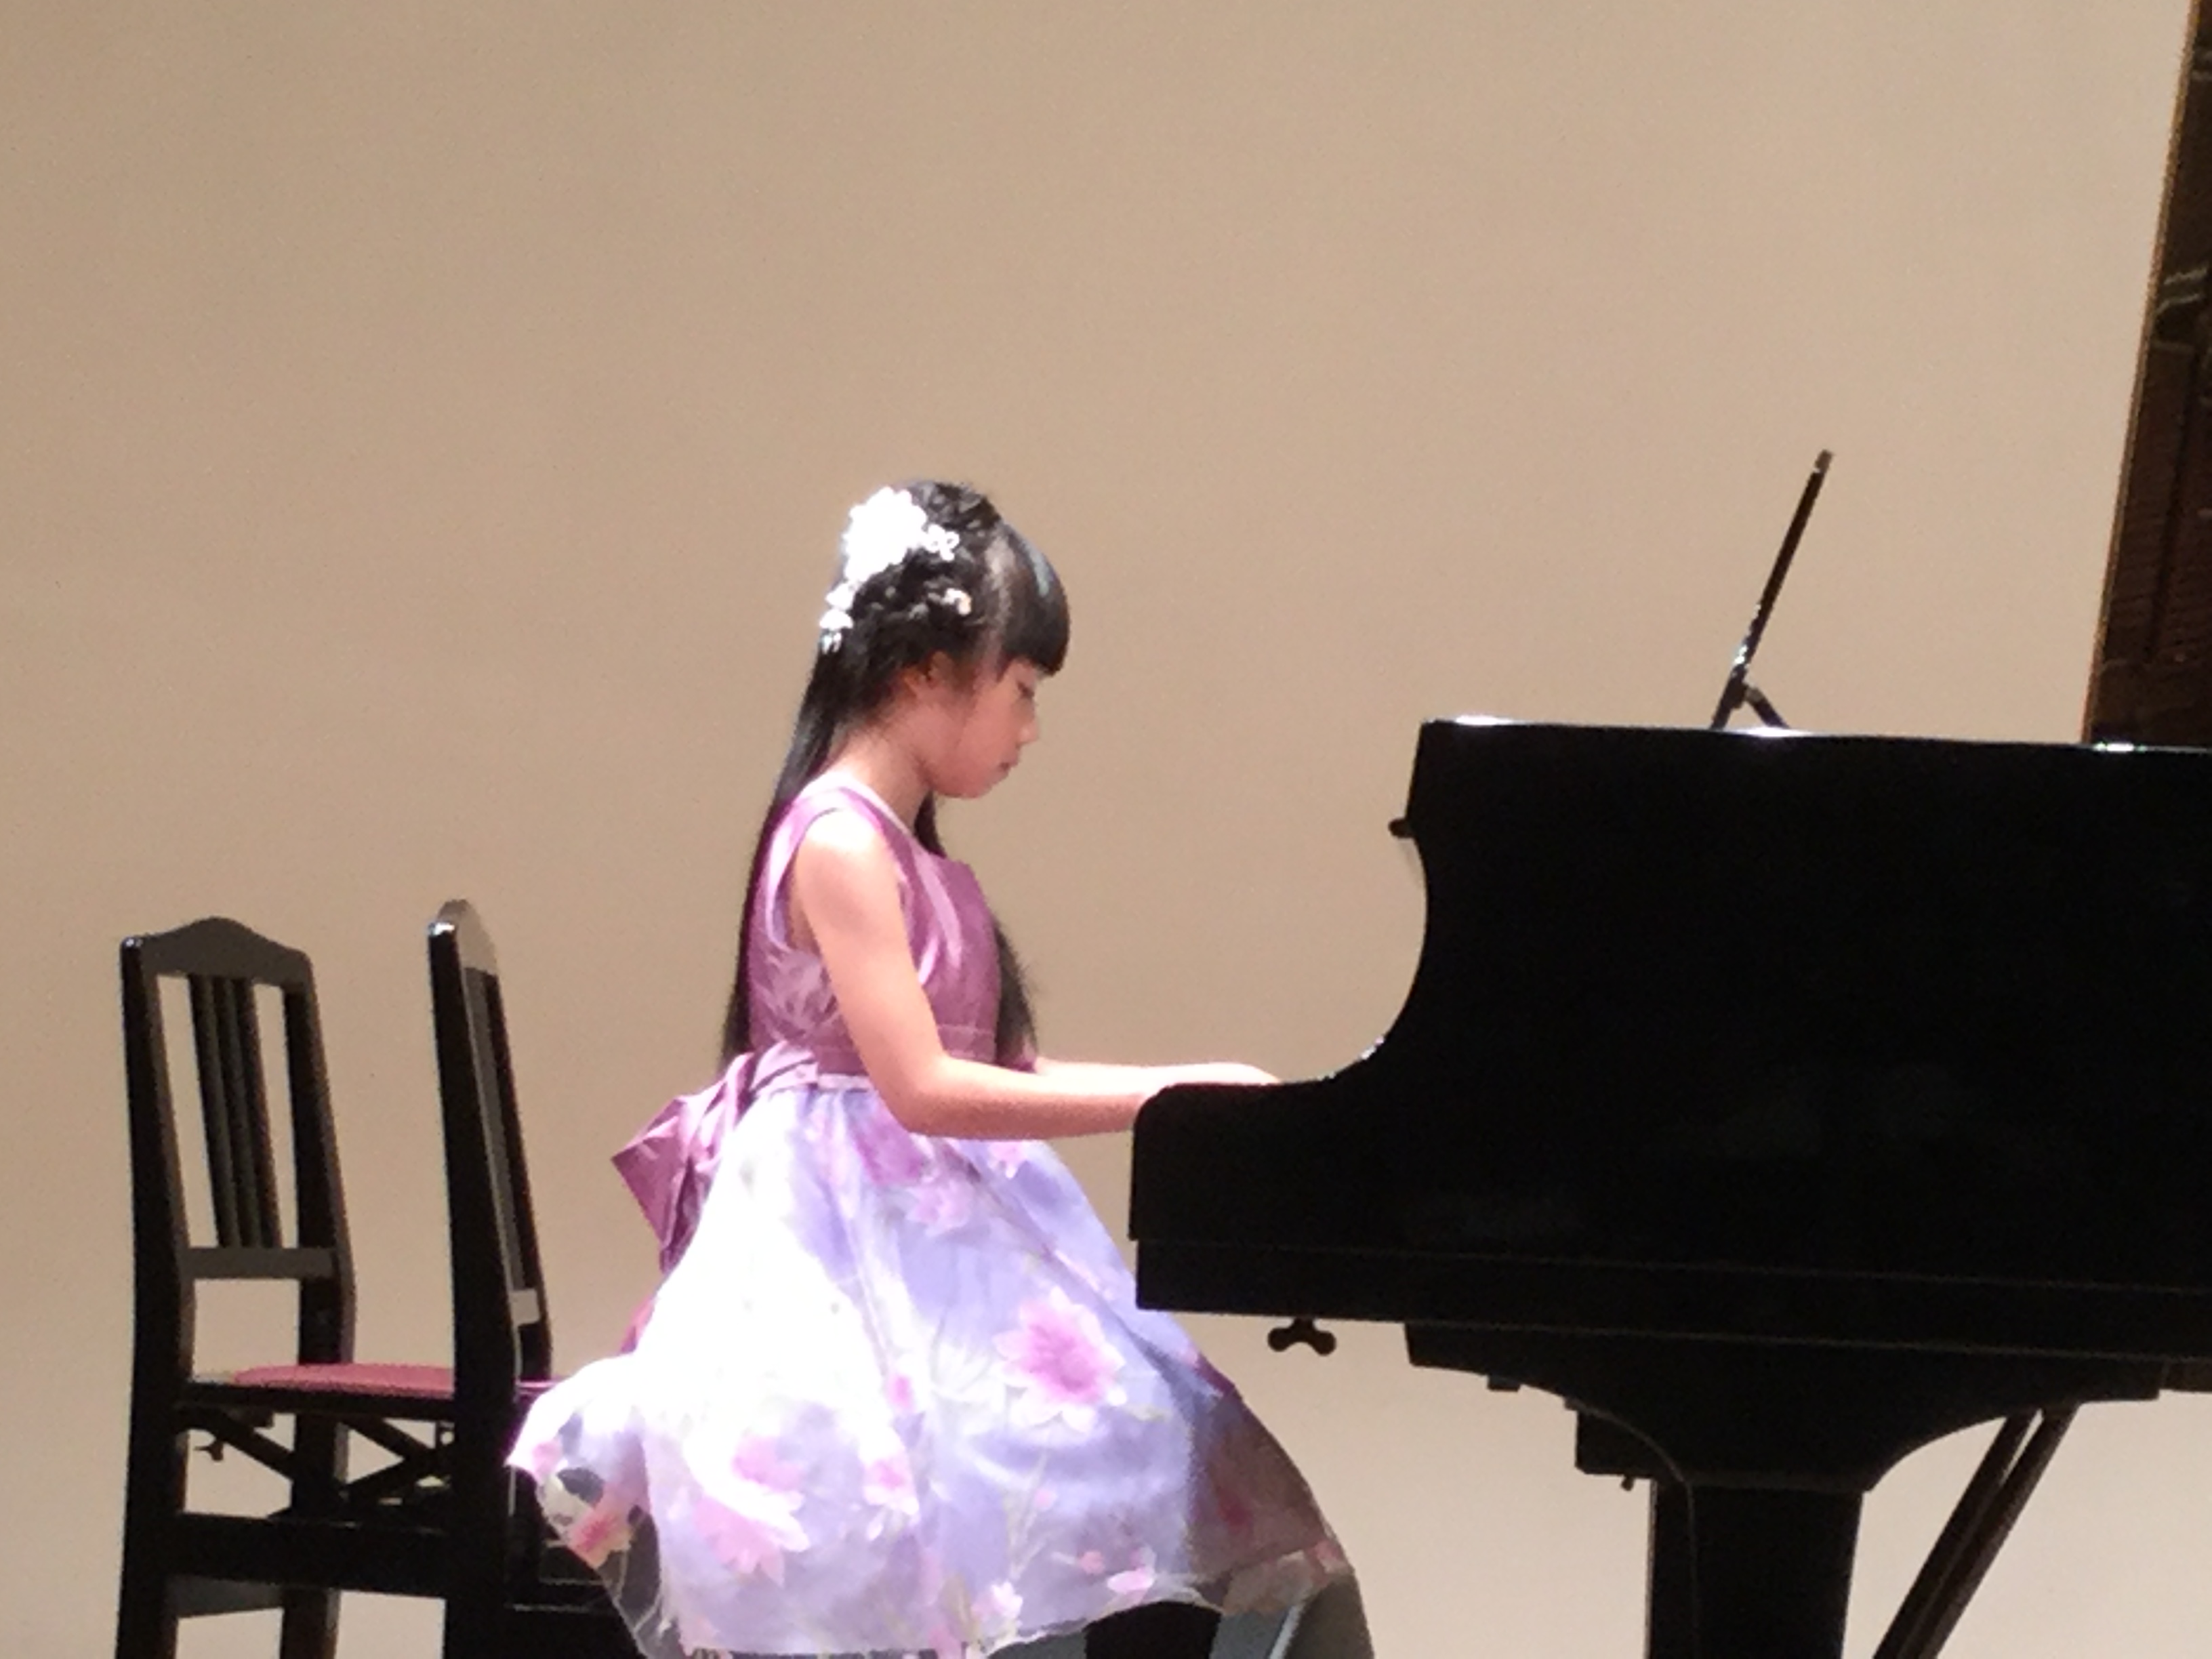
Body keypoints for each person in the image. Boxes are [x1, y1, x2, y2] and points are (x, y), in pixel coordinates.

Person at [508, 482, 1368, 1659]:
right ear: (925, 672)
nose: (1029, 729)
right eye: (1023, 689)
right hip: (844, 1259)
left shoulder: (900, 850)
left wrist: (1190, 1087)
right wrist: (1171, 1099)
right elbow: (920, 1088)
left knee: (1170, 1433)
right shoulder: (839, 839)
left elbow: (996, 1067)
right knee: (1113, 1450)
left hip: (921, 1246)